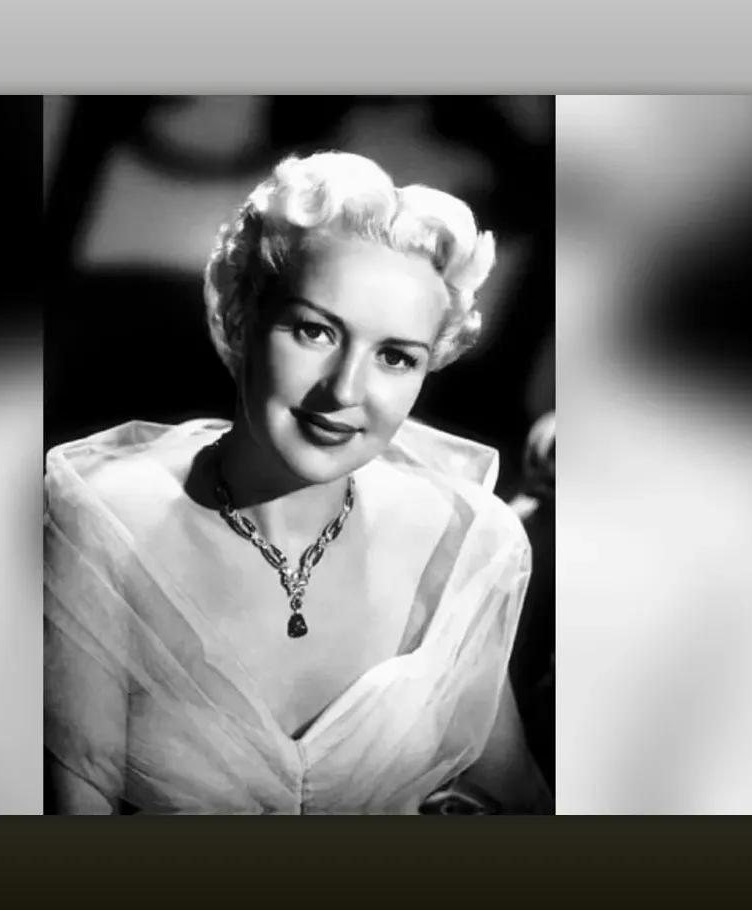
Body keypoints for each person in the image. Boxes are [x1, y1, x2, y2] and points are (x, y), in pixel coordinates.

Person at [44, 151, 552, 814]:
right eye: (314, 330)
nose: (345, 390)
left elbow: (515, 799)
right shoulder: (104, 523)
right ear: (239, 315)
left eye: (395, 357)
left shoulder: (464, 539)